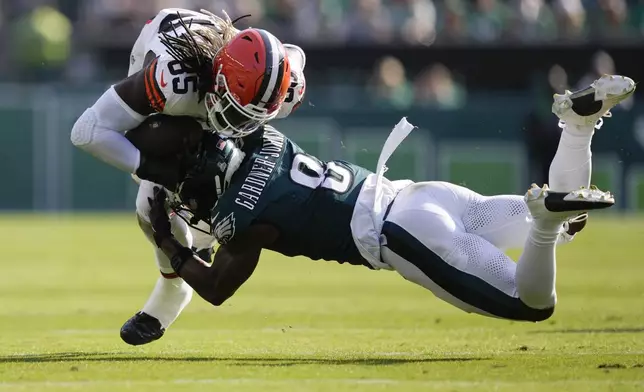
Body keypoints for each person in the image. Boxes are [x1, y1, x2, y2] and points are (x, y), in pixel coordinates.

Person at [145, 75, 633, 327]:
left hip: (404, 235)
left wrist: (169, 241)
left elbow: (215, 288)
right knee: (576, 220)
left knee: (533, 305)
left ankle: (543, 222)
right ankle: (576, 124)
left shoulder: (244, 219)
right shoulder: (263, 138)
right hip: (421, 194)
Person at [69, 8, 307, 345]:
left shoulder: (285, 85)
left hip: (219, 87)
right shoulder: (174, 82)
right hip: (168, 84)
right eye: (236, 112)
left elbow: (295, 55)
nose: (238, 126)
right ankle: (174, 288)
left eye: (250, 117)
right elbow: (86, 131)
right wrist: (152, 168)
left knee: (229, 174)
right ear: (219, 82)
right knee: (149, 203)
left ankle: (203, 240)